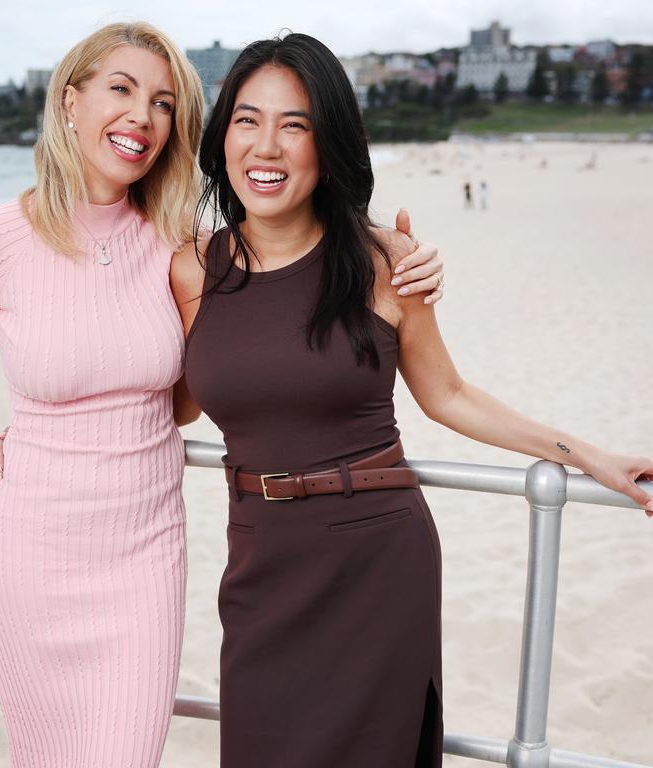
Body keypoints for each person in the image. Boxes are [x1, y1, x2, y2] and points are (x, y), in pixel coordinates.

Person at [0, 23, 444, 768]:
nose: (141, 116)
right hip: (33, 543)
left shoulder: (180, 243)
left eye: (163, 103)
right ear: (71, 103)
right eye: (121, 90)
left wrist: (394, 251)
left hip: (143, 548)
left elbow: (245, 333)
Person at [170, 33, 653, 768]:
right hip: (258, 567)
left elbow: (450, 395)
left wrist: (589, 455)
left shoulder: (385, 265)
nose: (266, 146)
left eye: (294, 124)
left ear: (328, 144)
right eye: (247, 119)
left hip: (375, 561)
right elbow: (176, 409)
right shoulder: (189, 271)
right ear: (222, 134)